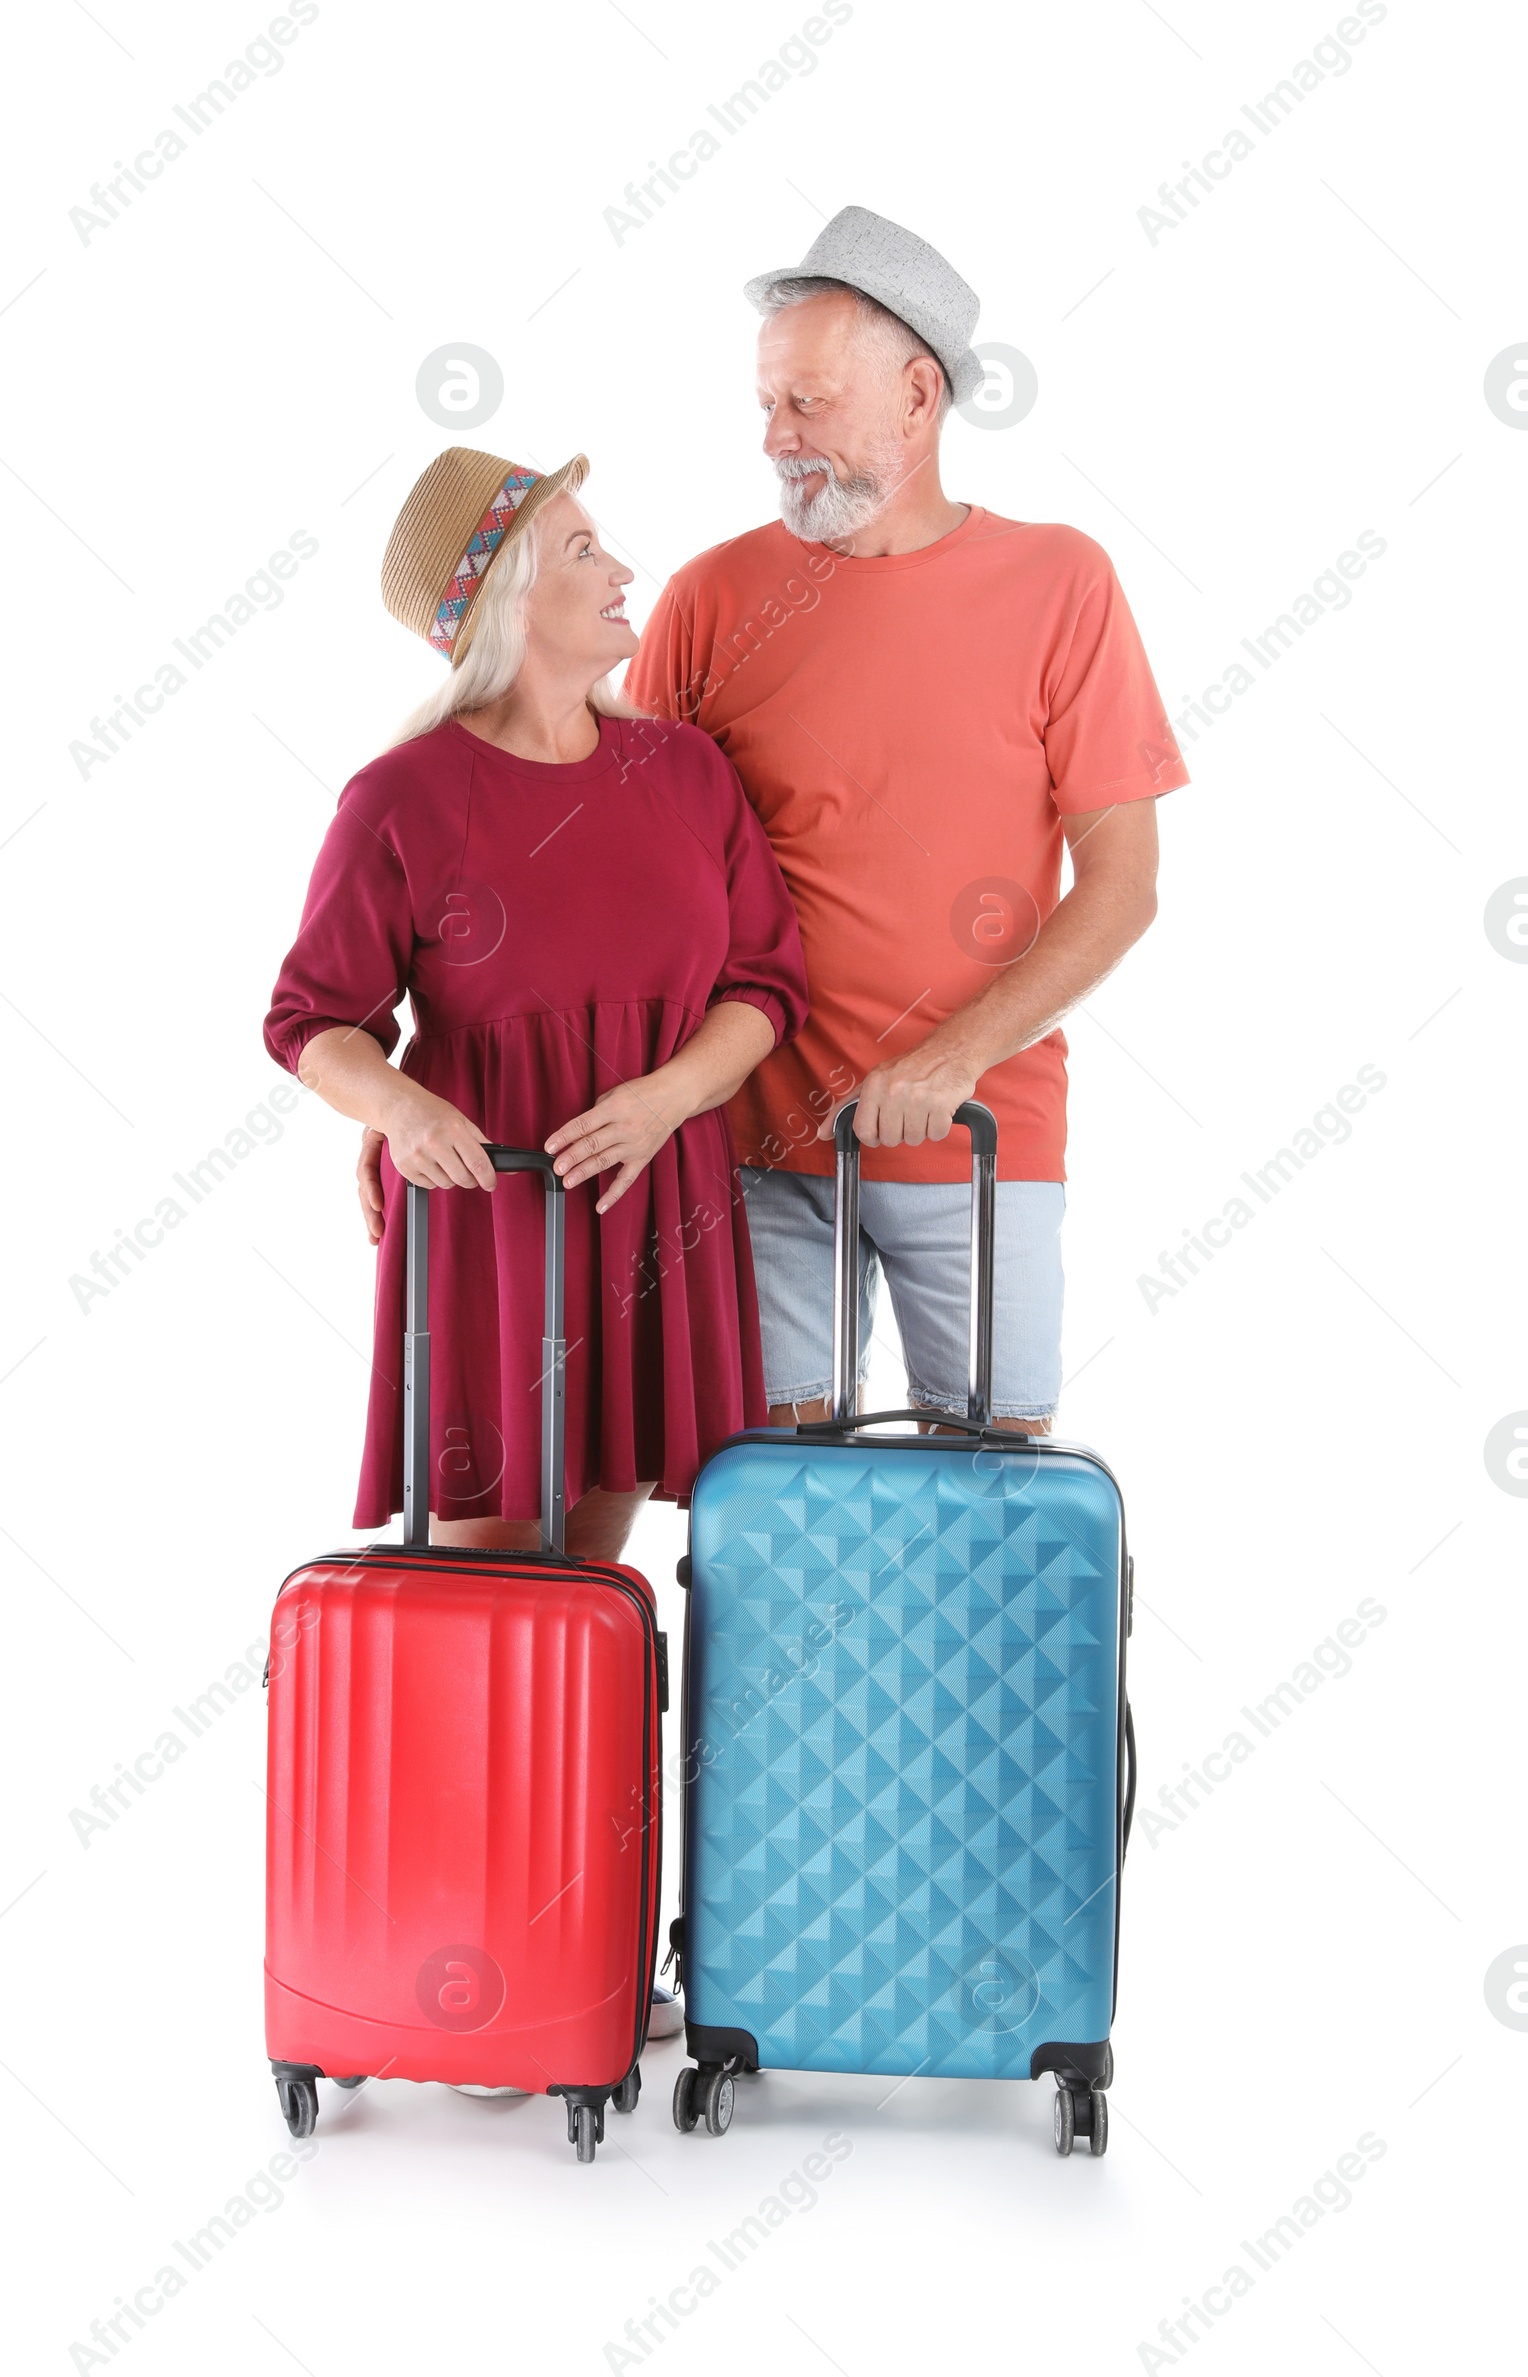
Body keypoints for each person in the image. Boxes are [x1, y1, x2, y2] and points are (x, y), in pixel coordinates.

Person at [264, 444, 808, 2052]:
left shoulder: (683, 772)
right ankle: (469, 1960)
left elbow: (761, 985)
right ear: (509, 596)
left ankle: (557, 1949)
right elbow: (314, 1016)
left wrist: (661, 1102)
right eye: (583, 546)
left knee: (593, 1561)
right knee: (498, 1567)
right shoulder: (405, 798)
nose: (619, 565)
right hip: (499, 1219)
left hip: (660, 1193)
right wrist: (398, 1105)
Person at [620, 204, 1190, 1435]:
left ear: (918, 395)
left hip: (980, 1133)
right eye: (767, 405)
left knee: (992, 1521)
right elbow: (621, 875)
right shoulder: (708, 598)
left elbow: (1122, 880)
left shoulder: (1059, 583)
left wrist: (953, 1056)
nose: (774, 438)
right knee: (776, 1515)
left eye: (808, 404)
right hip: (753, 1152)